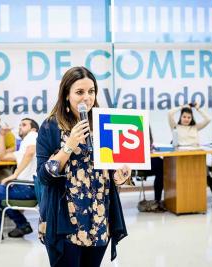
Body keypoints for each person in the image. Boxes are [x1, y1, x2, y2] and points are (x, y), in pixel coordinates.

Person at [36, 66, 130, 267]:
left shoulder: (103, 123)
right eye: (79, 92)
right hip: (66, 220)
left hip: (99, 216)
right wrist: (68, 147)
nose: (87, 97)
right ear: (66, 95)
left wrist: (118, 177)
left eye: (91, 91)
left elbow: (108, 170)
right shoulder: (50, 126)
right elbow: (43, 176)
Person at [0, 118, 39, 240]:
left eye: (24, 125)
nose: (20, 127)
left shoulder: (33, 135)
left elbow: (30, 152)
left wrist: (14, 175)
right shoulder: (23, 146)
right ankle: (22, 225)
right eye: (19, 125)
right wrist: (2, 135)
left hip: (28, 188)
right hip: (26, 187)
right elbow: (2, 156)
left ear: (33, 129)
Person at [168, 103, 212, 196]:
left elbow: (208, 119)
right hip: (182, 156)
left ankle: (208, 181)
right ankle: (209, 182)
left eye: (189, 117)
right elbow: (169, 113)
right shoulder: (175, 127)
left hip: (195, 154)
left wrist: (198, 108)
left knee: (201, 163)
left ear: (191, 118)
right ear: (180, 117)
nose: (186, 119)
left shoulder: (195, 127)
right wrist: (181, 107)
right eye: (184, 117)